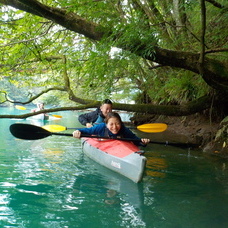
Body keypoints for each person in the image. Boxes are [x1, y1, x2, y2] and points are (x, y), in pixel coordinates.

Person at [73, 112, 150, 146]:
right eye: (111, 124)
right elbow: (86, 131)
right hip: (104, 145)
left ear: (121, 123)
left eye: (117, 123)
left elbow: (135, 140)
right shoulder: (101, 127)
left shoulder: (123, 129)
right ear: (106, 124)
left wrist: (143, 142)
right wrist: (77, 132)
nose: (115, 127)